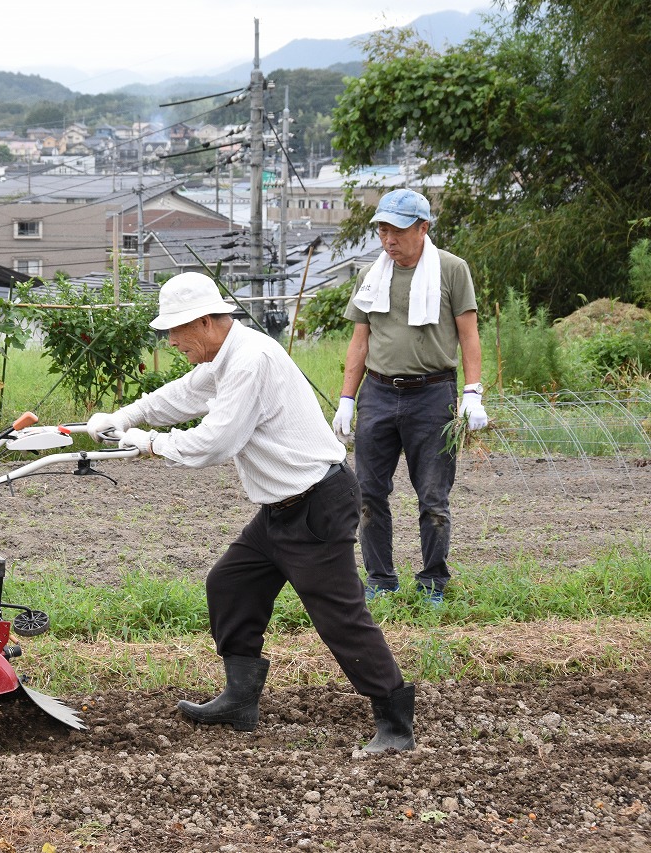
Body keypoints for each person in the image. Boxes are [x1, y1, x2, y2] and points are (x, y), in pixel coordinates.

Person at [86, 271, 414, 752]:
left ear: (204, 322)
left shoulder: (251, 359)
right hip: (279, 510)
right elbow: (182, 394)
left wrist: (149, 443)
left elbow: (217, 441)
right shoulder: (226, 356)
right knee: (231, 584)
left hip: (316, 504)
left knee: (340, 618)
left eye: (177, 331)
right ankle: (241, 699)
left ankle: (394, 721)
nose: (174, 341)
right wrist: (125, 417)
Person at [332, 188, 486, 605]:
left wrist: (472, 392)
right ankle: (381, 580)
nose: (388, 239)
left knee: (433, 496)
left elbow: (469, 335)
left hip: (433, 394)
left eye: (397, 230)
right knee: (368, 493)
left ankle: (433, 581)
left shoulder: (452, 270)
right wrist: (347, 398)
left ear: (423, 228)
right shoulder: (372, 276)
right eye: (382, 230)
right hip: (378, 394)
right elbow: (359, 340)